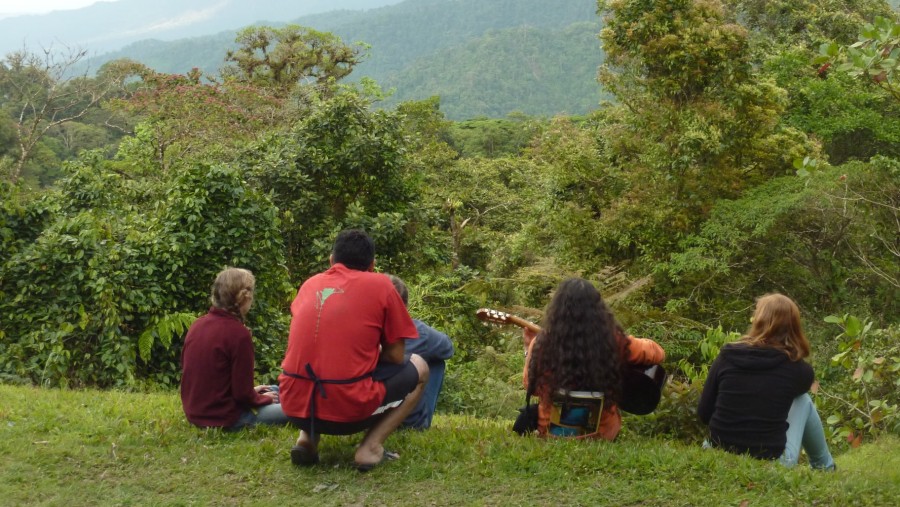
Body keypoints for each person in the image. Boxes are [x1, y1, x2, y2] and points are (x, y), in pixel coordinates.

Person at [278, 229, 429, 471]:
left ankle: (306, 440)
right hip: (347, 412)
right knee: (420, 367)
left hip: (293, 406)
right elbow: (396, 356)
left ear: (331, 260)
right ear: (372, 265)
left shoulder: (309, 284)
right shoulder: (381, 285)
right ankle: (370, 448)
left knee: (316, 359)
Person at [697, 293, 836, 470]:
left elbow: (704, 413)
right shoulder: (798, 370)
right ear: (793, 326)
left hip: (716, 450)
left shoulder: (727, 355)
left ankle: (825, 465)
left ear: (757, 320)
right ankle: (824, 466)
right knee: (803, 400)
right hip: (770, 461)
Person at [522, 277, 665, 440]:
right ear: (598, 311)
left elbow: (530, 386)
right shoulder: (613, 341)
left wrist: (528, 348)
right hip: (602, 434)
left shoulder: (540, 344)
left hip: (550, 433)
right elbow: (657, 352)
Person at [180, 267, 288, 431]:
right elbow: (242, 395)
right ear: (245, 297)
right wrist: (260, 399)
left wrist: (254, 393)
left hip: (196, 412)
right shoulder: (238, 333)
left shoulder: (198, 324)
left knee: (275, 390)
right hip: (224, 417)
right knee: (298, 410)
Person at [387, 275, 455, 430]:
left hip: (363, 410)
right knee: (436, 360)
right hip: (400, 415)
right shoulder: (417, 332)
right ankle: (416, 423)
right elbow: (448, 348)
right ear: (405, 307)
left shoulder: (363, 327)